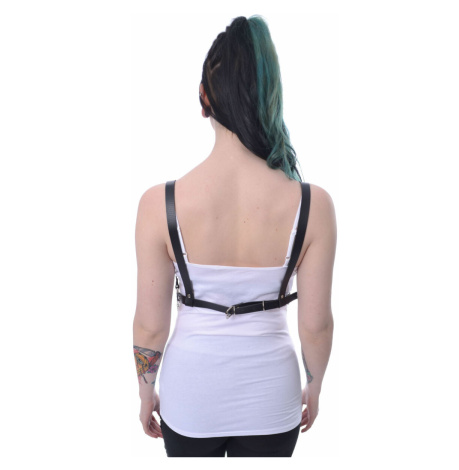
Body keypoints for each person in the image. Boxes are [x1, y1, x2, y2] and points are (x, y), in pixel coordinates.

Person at [133, 14, 336, 458]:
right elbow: (316, 325)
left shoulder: (159, 204)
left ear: (204, 98)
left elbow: (150, 325)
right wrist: (315, 386)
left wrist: (146, 391)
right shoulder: (312, 205)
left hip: (190, 399)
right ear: (269, 97)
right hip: (272, 400)